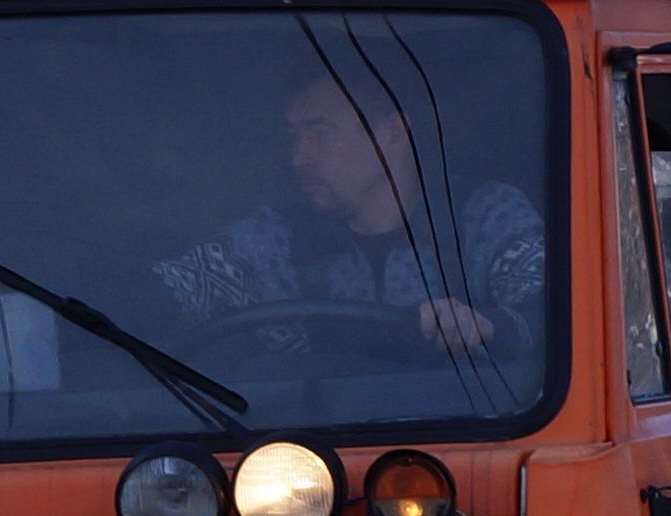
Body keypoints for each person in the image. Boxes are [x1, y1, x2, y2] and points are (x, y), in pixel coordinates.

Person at [153, 69, 546, 373]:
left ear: (392, 132)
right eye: (294, 137)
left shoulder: (486, 218)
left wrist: (487, 327)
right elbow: (164, 293)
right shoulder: (271, 241)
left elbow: (564, 326)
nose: (299, 158)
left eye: (320, 133)